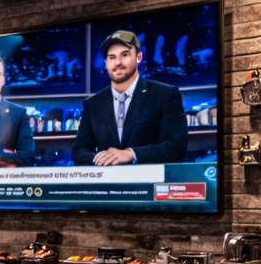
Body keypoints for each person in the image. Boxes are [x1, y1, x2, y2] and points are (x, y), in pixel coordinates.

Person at [71, 30, 187, 166]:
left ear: (139, 57)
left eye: (125, 55)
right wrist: (105, 158)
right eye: (112, 57)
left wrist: (131, 153)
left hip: (151, 183)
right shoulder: (92, 104)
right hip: (107, 184)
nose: (118, 62)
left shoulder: (166, 94)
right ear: (105, 62)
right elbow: (79, 152)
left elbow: (176, 147)